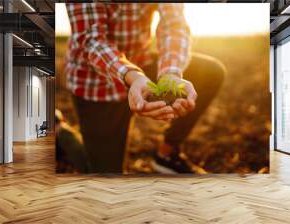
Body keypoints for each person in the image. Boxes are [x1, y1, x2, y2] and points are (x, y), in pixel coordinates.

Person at [65, 3, 225, 173]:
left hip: (142, 64)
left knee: (210, 73)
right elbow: (93, 40)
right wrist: (132, 76)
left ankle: (166, 156)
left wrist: (170, 74)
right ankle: (63, 133)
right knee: (106, 177)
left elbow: (173, 24)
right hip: (96, 82)